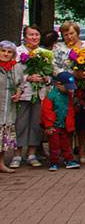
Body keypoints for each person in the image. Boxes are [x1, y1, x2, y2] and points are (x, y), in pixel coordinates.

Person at [52, 21, 85, 162]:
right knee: (67, 120)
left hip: (83, 90)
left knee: (84, 121)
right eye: (66, 34)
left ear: (77, 33)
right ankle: (67, 151)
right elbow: (54, 67)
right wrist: (71, 75)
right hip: (66, 89)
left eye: (72, 33)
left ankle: (82, 150)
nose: (69, 37)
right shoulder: (58, 48)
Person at [13, 25, 48, 169]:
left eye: (36, 35)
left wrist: (46, 78)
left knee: (36, 124)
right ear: (25, 36)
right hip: (23, 93)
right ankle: (17, 153)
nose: (34, 38)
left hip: (39, 93)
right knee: (20, 123)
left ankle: (32, 153)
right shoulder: (18, 52)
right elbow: (14, 72)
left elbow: (50, 72)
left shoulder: (44, 53)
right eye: (31, 35)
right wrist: (28, 77)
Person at [41, 73, 76, 170]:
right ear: (58, 84)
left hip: (64, 124)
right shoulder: (51, 95)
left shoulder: (68, 95)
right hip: (54, 125)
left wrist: (70, 123)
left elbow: (70, 109)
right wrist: (48, 126)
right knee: (54, 145)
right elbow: (46, 111)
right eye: (66, 87)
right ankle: (53, 161)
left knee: (66, 144)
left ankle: (69, 159)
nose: (69, 89)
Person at [0, 41, 20, 171]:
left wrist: (18, 93)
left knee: (4, 136)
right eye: (3, 51)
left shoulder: (15, 67)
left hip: (9, 108)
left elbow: (20, 84)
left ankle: (1, 163)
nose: (6, 54)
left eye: (9, 52)